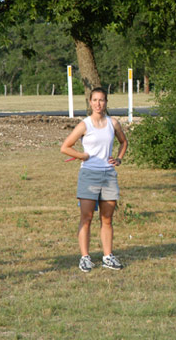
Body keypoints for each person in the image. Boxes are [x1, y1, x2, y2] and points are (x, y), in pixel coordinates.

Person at [61, 87, 128, 272]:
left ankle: (108, 256)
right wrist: (81, 155)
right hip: (89, 175)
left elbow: (124, 141)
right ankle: (85, 257)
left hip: (108, 175)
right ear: (90, 103)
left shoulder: (112, 123)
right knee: (87, 217)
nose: (98, 104)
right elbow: (65, 147)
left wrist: (119, 158)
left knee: (107, 219)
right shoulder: (84, 125)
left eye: (102, 100)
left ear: (106, 102)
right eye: (95, 100)